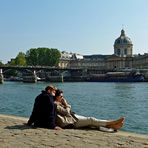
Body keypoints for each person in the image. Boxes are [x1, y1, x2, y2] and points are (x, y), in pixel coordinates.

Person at [54, 89, 124, 131]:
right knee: (91, 120)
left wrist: (64, 104)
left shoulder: (58, 102)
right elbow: (66, 112)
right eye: (61, 96)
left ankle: (111, 126)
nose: (63, 98)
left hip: (72, 117)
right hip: (69, 122)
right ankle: (111, 122)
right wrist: (67, 104)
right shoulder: (56, 104)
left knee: (89, 122)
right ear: (56, 97)